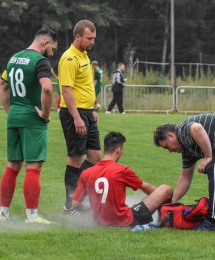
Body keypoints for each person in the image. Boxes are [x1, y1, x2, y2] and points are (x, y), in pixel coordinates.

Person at [0, 28, 60, 224]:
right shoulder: (40, 61)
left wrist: (11, 110)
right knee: (33, 167)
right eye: (52, 48)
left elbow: (2, 85)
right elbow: (47, 88)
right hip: (32, 119)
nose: (52, 53)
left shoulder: (14, 58)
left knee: (12, 166)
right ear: (45, 43)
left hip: (14, 117)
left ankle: (2, 213)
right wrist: (44, 113)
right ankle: (32, 217)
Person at [72, 131, 173, 227]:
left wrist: (90, 207)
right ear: (119, 149)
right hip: (125, 221)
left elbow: (75, 204)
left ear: (104, 148)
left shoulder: (86, 173)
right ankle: (164, 220)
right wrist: (161, 197)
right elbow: (148, 189)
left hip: (99, 221)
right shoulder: (122, 170)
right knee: (165, 189)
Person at [58, 20, 102, 215]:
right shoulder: (69, 59)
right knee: (76, 159)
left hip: (87, 112)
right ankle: (69, 205)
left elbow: (84, 87)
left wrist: (91, 109)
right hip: (73, 114)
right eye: (89, 38)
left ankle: (77, 198)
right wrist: (77, 117)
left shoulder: (84, 56)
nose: (92, 41)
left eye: (94, 38)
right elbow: (66, 91)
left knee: (95, 157)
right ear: (78, 36)